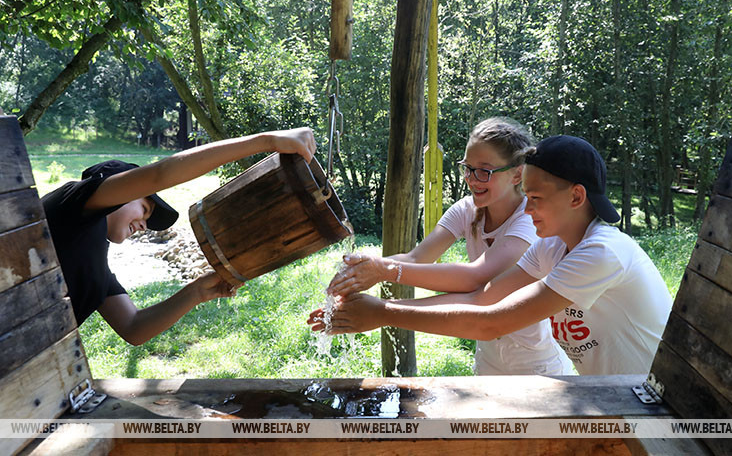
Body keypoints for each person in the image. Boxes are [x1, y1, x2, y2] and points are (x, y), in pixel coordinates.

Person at [310, 135, 672, 375]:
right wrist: (373, 309)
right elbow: (483, 300)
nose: (527, 210)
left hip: (658, 401)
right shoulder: (552, 246)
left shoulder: (602, 252)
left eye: (537, 199)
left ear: (576, 197)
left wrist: (384, 312)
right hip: (616, 397)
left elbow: (492, 323)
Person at [327, 117, 572, 375]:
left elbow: (475, 279)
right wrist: (362, 266)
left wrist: (383, 279)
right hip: (488, 361)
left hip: (538, 366)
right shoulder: (466, 210)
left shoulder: (529, 219)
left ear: (517, 174)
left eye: (484, 171)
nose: (472, 179)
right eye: (468, 168)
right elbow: (416, 258)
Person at [42, 128, 317, 346]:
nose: (145, 226)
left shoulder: (94, 269)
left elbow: (133, 328)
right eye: (145, 208)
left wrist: (196, 292)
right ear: (118, 187)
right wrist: (268, 141)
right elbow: (160, 174)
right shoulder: (73, 202)